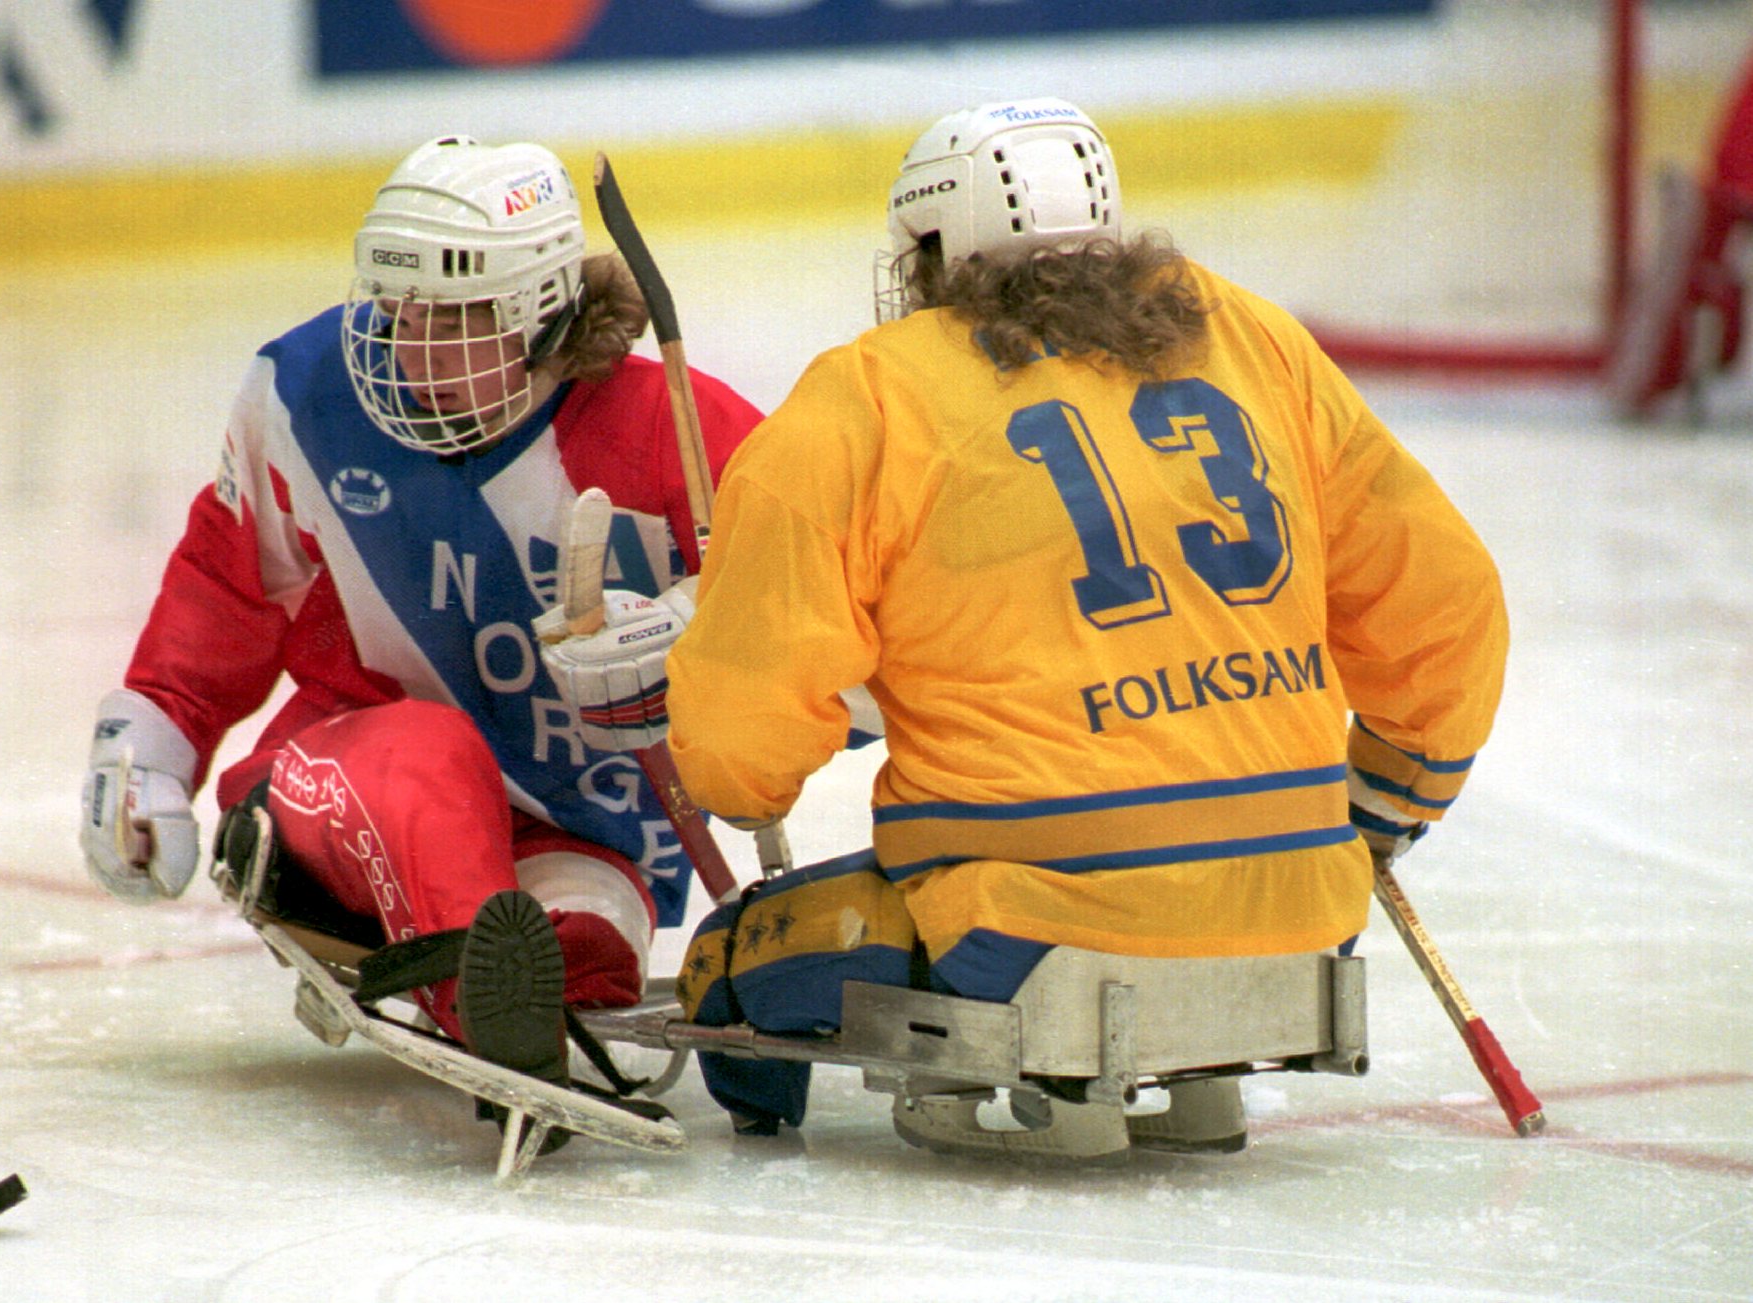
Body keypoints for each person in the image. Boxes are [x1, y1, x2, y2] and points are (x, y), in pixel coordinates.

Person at [545, 98, 1508, 1146]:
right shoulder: (1258, 340)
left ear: (932, 248)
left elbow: (738, 752)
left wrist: (730, 752)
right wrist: (1382, 805)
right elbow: (1448, 604)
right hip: (1302, 902)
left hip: (1025, 928)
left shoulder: (867, 398)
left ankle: (1022, 1095)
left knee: (735, 953)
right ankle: (1201, 1087)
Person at [77, 135, 761, 1103]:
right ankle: (486, 991)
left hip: (585, 831)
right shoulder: (309, 396)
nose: (404, 344)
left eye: (451, 321)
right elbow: (229, 583)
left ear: (537, 318)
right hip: (348, 768)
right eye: (395, 308)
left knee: (590, 941)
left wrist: (692, 634)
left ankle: (515, 979)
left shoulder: (666, 431)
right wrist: (147, 749)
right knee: (432, 759)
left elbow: (825, 601)